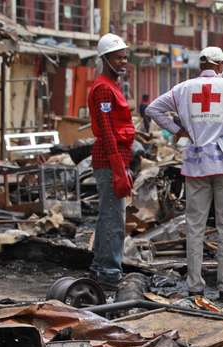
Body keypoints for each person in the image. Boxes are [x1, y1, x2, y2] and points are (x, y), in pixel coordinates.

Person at [146, 46, 223, 299]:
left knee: (195, 226)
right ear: (219, 66)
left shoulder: (182, 89)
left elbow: (152, 110)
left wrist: (177, 130)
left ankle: (195, 286)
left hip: (195, 166)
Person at [88, 33, 135, 290]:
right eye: (118, 58)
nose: (123, 61)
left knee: (108, 214)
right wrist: (118, 168)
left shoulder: (111, 86)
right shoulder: (104, 88)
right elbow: (106, 131)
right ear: (105, 59)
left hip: (113, 160)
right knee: (113, 218)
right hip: (109, 160)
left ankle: (101, 266)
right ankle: (108, 272)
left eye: (125, 57)